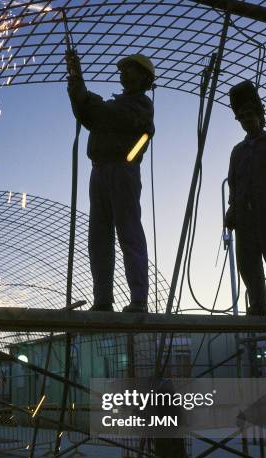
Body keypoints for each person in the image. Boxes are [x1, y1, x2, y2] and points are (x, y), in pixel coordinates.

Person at [65, 50, 155, 313]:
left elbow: (104, 115)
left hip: (123, 171)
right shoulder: (116, 105)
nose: (123, 74)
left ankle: (139, 299)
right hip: (101, 171)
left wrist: (83, 91)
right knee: (99, 238)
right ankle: (102, 300)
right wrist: (76, 85)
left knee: (129, 233)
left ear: (144, 77)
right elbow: (88, 115)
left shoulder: (140, 105)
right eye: (123, 70)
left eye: (130, 70)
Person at [225, 80, 266, 316]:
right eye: (241, 117)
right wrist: (232, 208)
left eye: (249, 115)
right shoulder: (237, 151)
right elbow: (233, 182)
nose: (245, 120)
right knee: (247, 262)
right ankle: (258, 305)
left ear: (259, 115)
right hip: (244, 214)